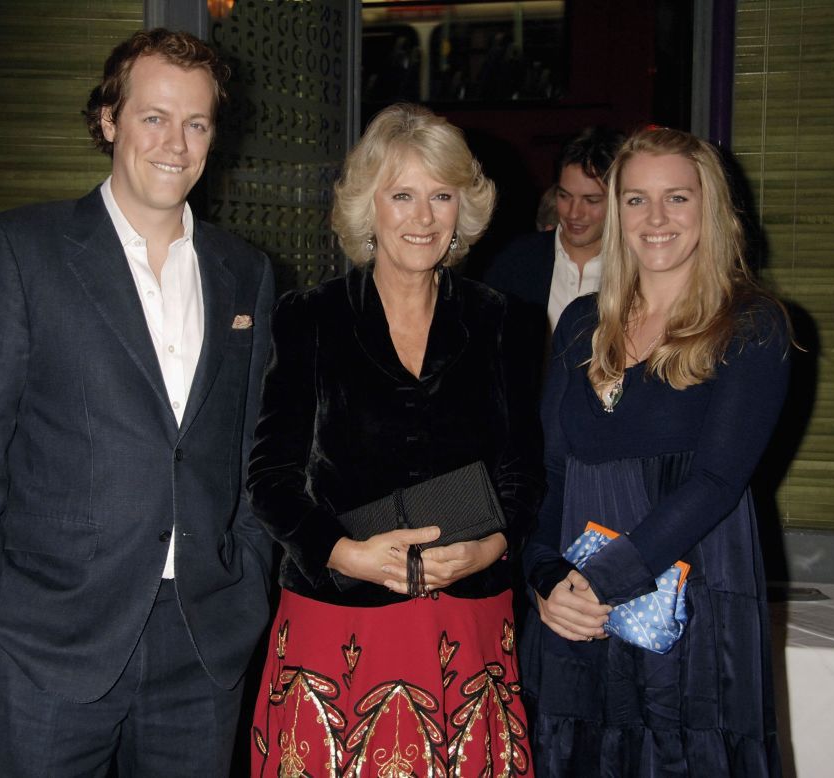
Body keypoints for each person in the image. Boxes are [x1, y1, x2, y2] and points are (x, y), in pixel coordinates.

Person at [0, 29, 275, 776]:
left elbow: (252, 447)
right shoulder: (19, 250)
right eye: (153, 117)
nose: (175, 144)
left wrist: (246, 581)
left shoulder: (245, 271)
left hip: (203, 644)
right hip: (47, 643)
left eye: (196, 123)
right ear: (109, 121)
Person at [246, 103, 540, 776]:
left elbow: (524, 472)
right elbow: (271, 478)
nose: (423, 216)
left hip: (465, 619)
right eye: (402, 195)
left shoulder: (501, 322)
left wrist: (488, 549)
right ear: (367, 206)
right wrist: (345, 554)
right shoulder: (310, 319)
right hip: (339, 618)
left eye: (442, 196)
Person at [520, 126, 789, 775]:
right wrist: (546, 578)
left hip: (689, 619)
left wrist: (597, 581)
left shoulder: (750, 322)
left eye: (677, 198)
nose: (656, 218)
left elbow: (717, 483)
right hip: (576, 617)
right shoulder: (583, 320)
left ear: (711, 208)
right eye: (636, 200)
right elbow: (550, 471)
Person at [483, 126, 624, 344]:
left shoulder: (637, 267)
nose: (574, 212)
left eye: (591, 200)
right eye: (564, 196)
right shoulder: (516, 261)